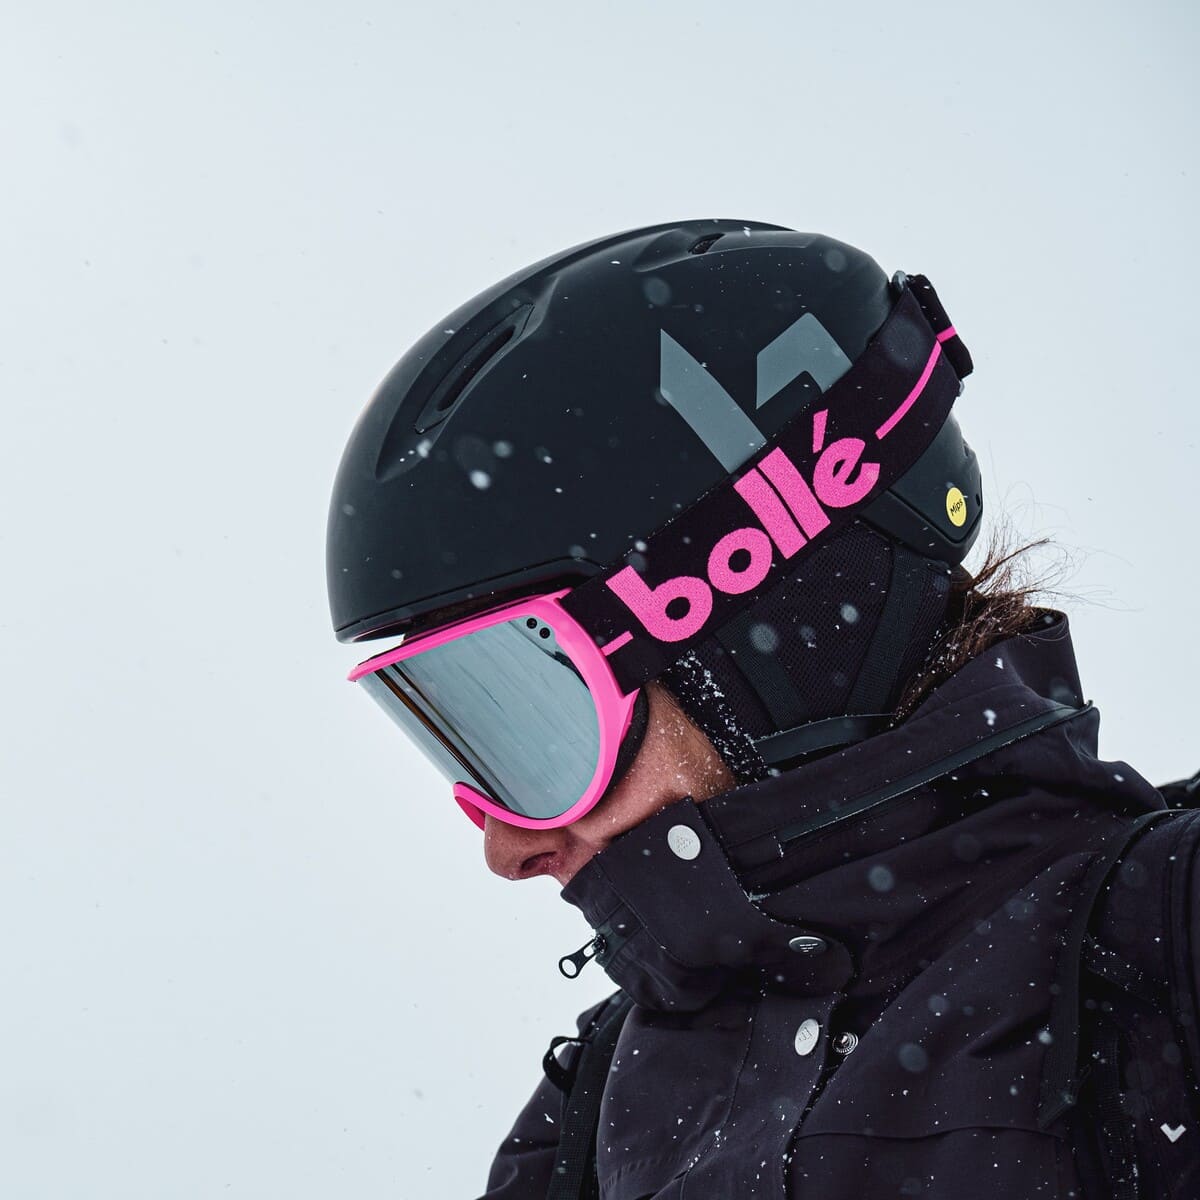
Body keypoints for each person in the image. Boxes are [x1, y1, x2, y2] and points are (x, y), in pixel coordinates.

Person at [326, 219, 1200, 1199]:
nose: (506, 847)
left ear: (780, 641)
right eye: (463, 737)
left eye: (535, 729)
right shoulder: (585, 1124)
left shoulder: (1159, 955)